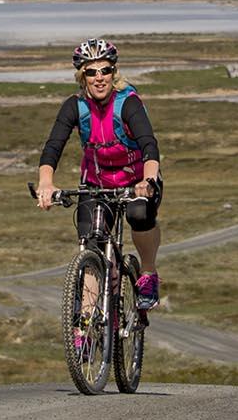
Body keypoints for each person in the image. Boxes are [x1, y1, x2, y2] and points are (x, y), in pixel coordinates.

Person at [36, 37, 163, 311]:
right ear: (82, 77)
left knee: (139, 215)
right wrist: (46, 183)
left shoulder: (127, 103)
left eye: (105, 70)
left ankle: (148, 275)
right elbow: (53, 147)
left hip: (136, 182)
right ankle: (85, 326)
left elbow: (149, 144)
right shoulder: (75, 106)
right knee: (91, 242)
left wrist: (148, 181)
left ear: (113, 73)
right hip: (96, 183)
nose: (99, 78)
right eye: (92, 72)